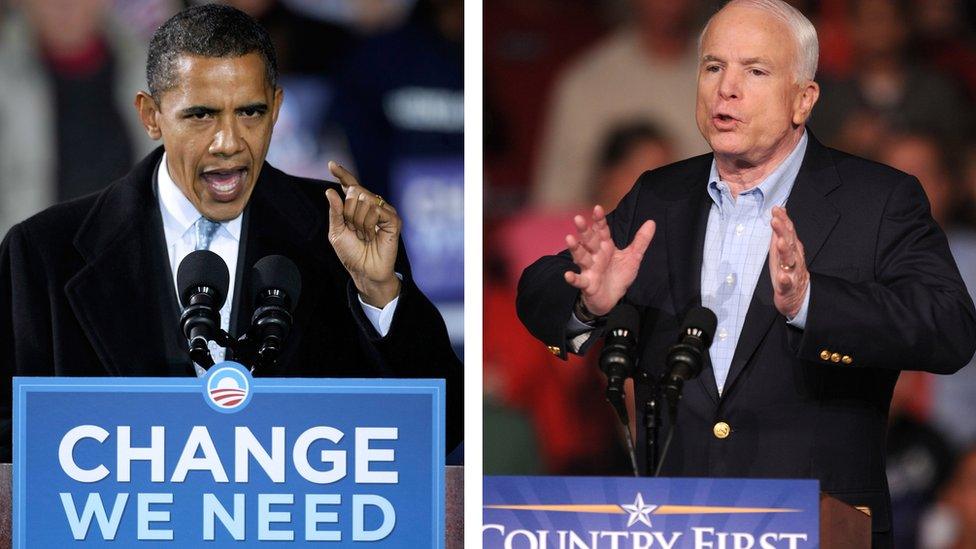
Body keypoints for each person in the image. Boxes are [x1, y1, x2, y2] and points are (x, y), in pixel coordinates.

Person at [515, 1, 976, 546]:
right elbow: (536, 292)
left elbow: (950, 329)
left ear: (803, 99)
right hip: (673, 524)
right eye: (713, 67)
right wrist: (588, 300)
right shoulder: (658, 196)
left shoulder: (877, 201)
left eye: (754, 71)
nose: (725, 89)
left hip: (817, 523)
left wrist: (812, 301)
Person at [0, 4, 462, 461]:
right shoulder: (43, 254)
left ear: (277, 109)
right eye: (201, 115)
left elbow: (440, 429)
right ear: (150, 116)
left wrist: (379, 292)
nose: (229, 143)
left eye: (250, 113)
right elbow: (9, 448)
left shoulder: (341, 232)